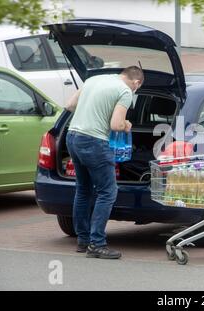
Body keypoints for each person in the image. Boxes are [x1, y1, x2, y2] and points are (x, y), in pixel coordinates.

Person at [65, 66, 144, 259]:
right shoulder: (125, 91)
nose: (135, 92)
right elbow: (115, 125)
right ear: (136, 82)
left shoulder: (94, 79)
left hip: (72, 136)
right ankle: (97, 244)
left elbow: (69, 105)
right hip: (94, 141)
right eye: (137, 89)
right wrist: (127, 125)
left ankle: (83, 240)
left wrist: (94, 112)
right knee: (108, 192)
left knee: (83, 189)